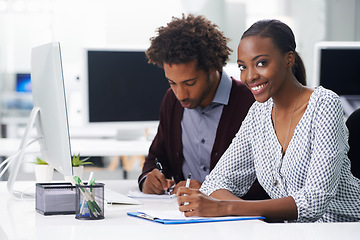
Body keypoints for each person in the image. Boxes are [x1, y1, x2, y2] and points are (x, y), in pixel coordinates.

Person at [177, 19, 360, 222]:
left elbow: (313, 202)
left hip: (343, 229)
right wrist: (226, 207)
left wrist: (225, 207)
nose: (250, 76)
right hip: (290, 232)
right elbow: (216, 182)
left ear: (289, 60)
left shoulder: (324, 105)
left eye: (261, 63)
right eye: (243, 67)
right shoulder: (259, 112)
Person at [138, 14, 269, 201]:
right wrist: (149, 177)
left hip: (236, 221)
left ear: (212, 67)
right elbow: (158, 156)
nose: (180, 94)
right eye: (172, 83)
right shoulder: (171, 101)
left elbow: (267, 180)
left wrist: (211, 190)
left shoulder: (252, 103)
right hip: (184, 217)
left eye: (189, 83)